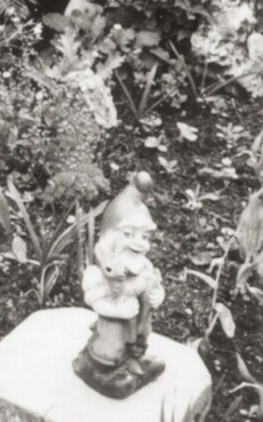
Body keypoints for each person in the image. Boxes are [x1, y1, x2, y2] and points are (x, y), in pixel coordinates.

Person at [74, 171, 166, 399]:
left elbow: (155, 287)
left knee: (141, 342)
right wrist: (117, 310)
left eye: (145, 237)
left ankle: (133, 361)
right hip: (114, 330)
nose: (139, 243)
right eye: (128, 234)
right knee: (112, 347)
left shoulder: (144, 267)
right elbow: (94, 302)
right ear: (109, 237)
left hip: (139, 327)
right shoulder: (98, 273)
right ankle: (100, 369)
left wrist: (158, 296)